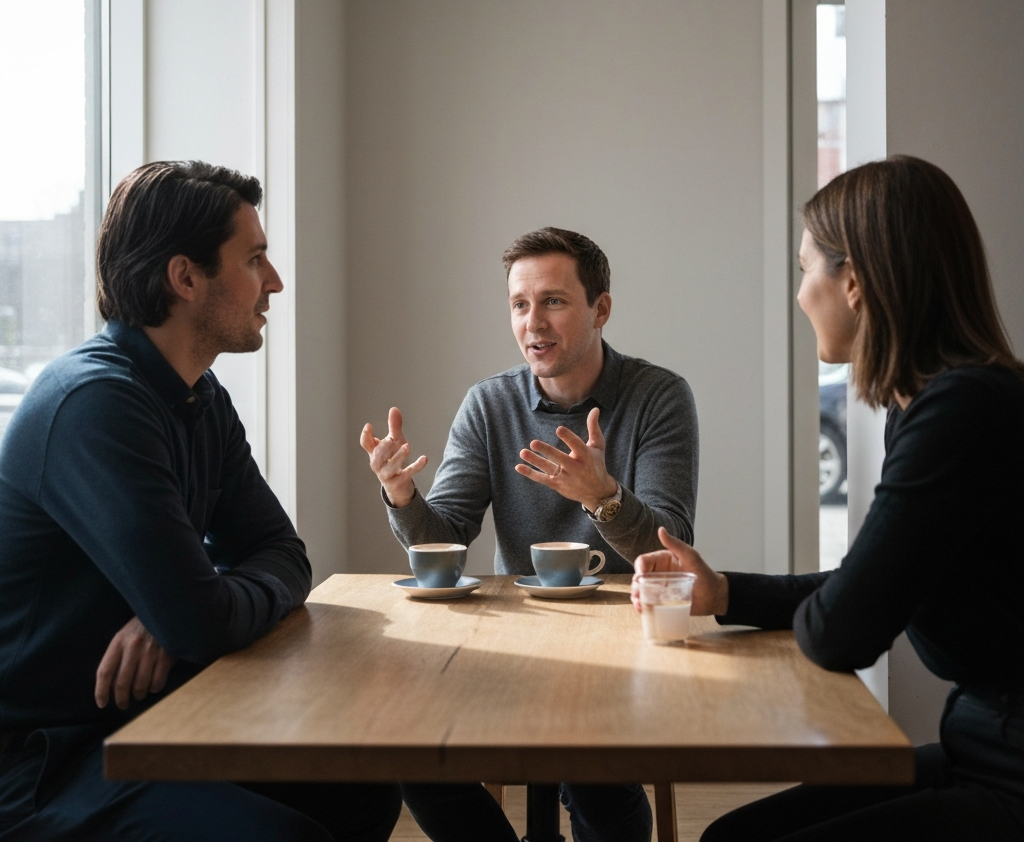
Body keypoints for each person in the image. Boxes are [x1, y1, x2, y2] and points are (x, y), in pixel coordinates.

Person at [0, 162, 402, 842]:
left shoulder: (200, 398)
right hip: (48, 761)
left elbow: (285, 557)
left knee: (361, 795)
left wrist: (180, 612)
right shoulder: (95, 405)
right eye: (254, 260)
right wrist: (185, 613)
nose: (274, 282)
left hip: (156, 720)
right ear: (185, 279)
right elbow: (204, 622)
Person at [632, 156, 1024, 842]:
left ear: (855, 283)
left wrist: (842, 605)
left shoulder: (959, 412)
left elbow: (846, 629)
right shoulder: (940, 401)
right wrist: (722, 591)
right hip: (981, 745)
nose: (800, 292)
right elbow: (869, 589)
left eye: (804, 267)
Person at [360, 227, 699, 842]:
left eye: (553, 301)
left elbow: (669, 551)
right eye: (520, 304)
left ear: (600, 309)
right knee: (410, 752)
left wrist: (604, 497)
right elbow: (447, 538)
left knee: (594, 774)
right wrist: (403, 496)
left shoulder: (658, 397)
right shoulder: (489, 405)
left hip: (623, 646)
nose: (532, 322)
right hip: (517, 640)